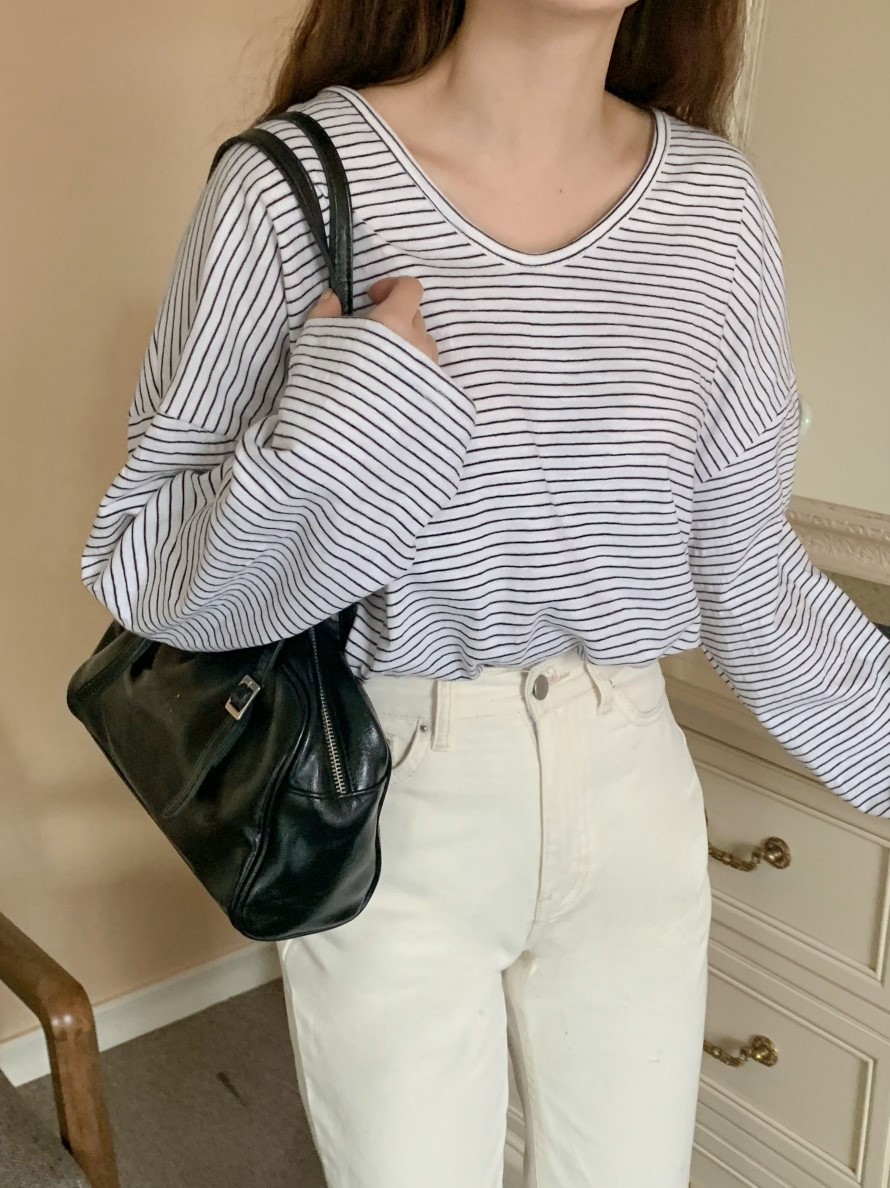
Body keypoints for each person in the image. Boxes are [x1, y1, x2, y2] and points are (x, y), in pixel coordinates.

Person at [78, 1, 890, 1184]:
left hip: (633, 781)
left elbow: (748, 572)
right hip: (394, 787)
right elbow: (154, 576)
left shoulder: (713, 207)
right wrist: (350, 422)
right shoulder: (292, 188)